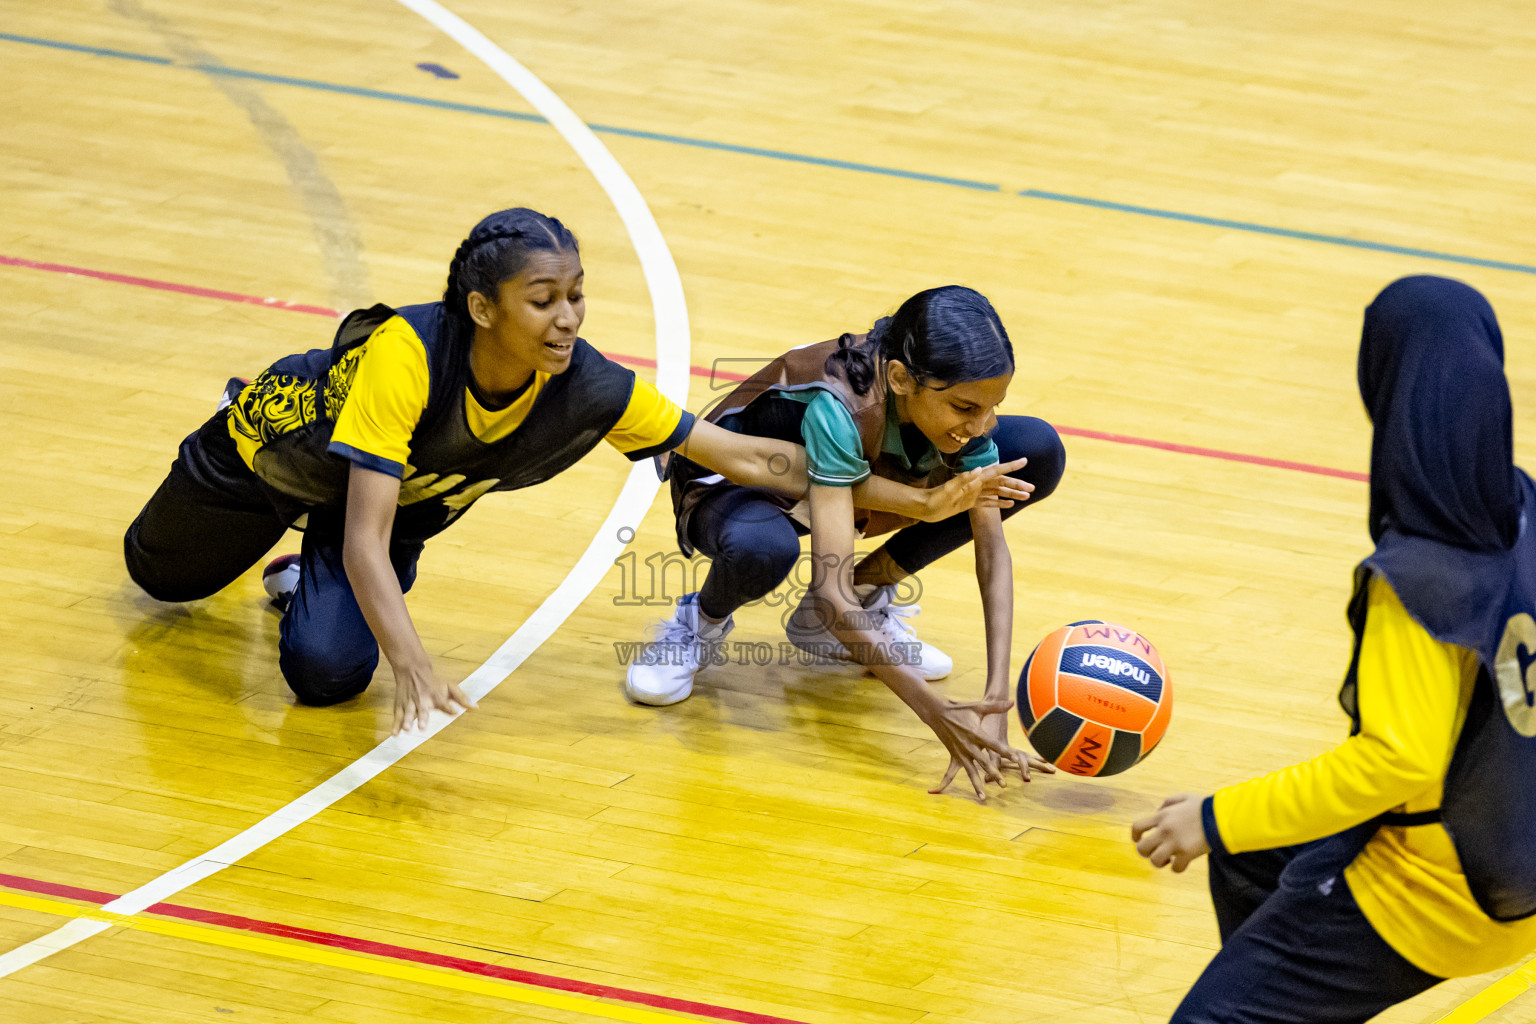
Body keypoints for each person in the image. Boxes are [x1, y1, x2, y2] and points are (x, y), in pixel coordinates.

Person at [125, 207, 811, 735]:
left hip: (380, 504)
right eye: (544, 300)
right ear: (483, 308)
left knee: (325, 676)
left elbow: (739, 454)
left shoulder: (589, 384)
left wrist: (879, 483)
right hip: (272, 458)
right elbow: (366, 543)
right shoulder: (409, 355)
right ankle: (239, 402)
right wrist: (413, 663)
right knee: (159, 577)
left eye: (576, 295)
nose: (567, 318)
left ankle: (304, 571)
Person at [1132, 276, 1536, 1023]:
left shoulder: (1420, 579)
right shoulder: (1524, 508)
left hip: (1439, 895)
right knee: (1254, 862)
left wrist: (1211, 817)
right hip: (1519, 857)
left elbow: (1395, 762)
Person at [626, 286, 1067, 800]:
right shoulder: (840, 408)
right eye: (966, 407)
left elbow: (991, 552)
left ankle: (865, 597)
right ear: (901, 378)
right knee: (765, 550)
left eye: (994, 406)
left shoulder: (951, 403)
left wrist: (996, 703)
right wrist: (936, 713)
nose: (983, 424)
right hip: (740, 486)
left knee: (1034, 450)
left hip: (842, 477)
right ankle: (698, 624)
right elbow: (829, 591)